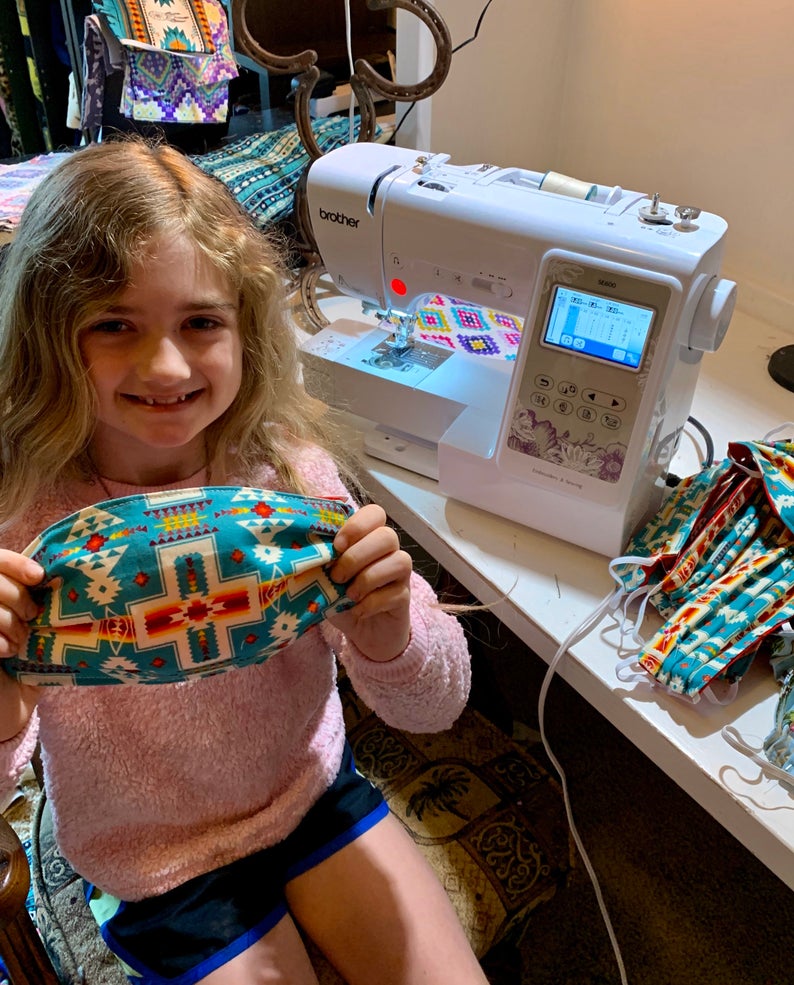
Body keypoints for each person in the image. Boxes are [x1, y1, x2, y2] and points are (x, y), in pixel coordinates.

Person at [0, 139, 488, 985]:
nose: (165, 366)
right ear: (50, 331)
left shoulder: (293, 473)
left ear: (245, 323)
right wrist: (8, 691)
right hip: (153, 862)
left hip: (313, 795)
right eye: (114, 324)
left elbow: (436, 704)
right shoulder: (22, 512)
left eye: (200, 322)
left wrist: (388, 630)